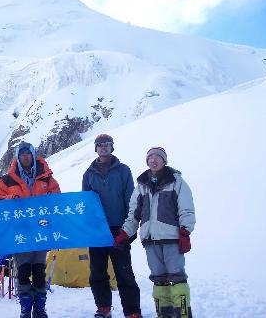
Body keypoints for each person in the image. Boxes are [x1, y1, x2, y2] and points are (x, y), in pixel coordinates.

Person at [114, 147, 195, 318]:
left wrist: (185, 232)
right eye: (150, 157)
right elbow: (133, 215)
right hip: (150, 241)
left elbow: (186, 209)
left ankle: (182, 314)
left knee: (177, 277)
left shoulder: (177, 182)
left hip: (172, 239)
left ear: (164, 160)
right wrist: (125, 233)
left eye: (157, 157)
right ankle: (164, 314)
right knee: (159, 279)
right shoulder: (141, 186)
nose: (153, 160)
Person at [0, 141, 61, 318]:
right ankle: (25, 309)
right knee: (22, 272)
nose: (25, 156)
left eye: (28, 153)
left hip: (41, 233)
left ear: (33, 155)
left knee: (39, 271)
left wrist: (49, 198)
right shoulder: (6, 180)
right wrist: (11, 197)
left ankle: (39, 308)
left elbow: (58, 199)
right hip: (19, 233)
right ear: (17, 157)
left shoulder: (47, 178)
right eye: (22, 153)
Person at [82, 134, 141, 318]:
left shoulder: (123, 171)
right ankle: (103, 308)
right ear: (95, 148)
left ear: (112, 147)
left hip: (119, 230)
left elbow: (131, 201)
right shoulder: (88, 174)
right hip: (98, 232)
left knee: (124, 273)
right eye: (99, 145)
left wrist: (128, 230)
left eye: (106, 145)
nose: (103, 148)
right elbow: (86, 204)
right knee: (97, 273)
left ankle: (132, 312)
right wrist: (89, 228)